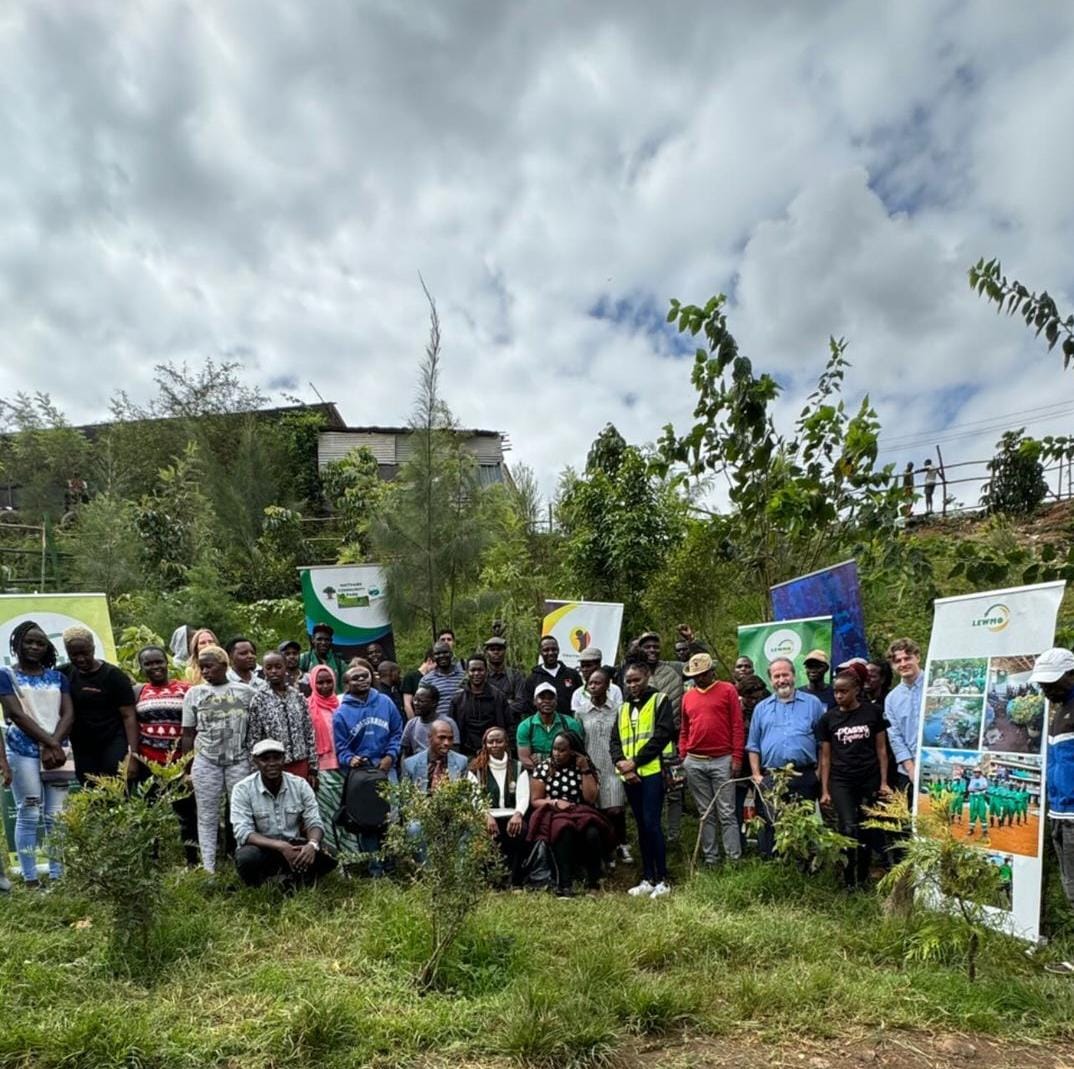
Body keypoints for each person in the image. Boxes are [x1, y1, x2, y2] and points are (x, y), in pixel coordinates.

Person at [0, 621, 75, 888]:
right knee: (29, 811)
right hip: (23, 750)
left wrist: (54, 745)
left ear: (47, 648)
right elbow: (16, 714)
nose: (34, 646)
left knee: (56, 816)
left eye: (40, 643)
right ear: (17, 644)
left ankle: (57, 875)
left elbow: (68, 713)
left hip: (57, 753)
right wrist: (49, 743)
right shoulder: (5, 675)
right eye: (28, 642)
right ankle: (31, 878)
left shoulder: (58, 678)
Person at [180, 645, 255, 873]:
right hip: (206, 761)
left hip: (238, 760)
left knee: (242, 812)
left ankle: (244, 862)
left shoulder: (246, 692)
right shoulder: (194, 694)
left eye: (209, 666)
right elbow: (187, 734)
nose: (205, 671)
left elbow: (254, 728)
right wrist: (187, 769)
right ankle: (209, 869)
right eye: (201, 667)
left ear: (224, 665)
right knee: (207, 815)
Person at [816, 670, 890, 889]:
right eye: (836, 692)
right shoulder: (828, 719)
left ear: (856, 690)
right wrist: (825, 790)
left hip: (868, 777)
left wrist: (884, 782)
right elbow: (826, 757)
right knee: (848, 827)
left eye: (843, 692)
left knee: (868, 827)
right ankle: (848, 880)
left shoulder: (873, 713)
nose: (839, 696)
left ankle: (863, 877)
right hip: (841, 781)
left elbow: (882, 750)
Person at [230, 739, 336, 889]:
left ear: (284, 759)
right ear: (255, 762)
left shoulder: (300, 785)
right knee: (246, 858)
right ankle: (271, 882)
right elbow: (243, 833)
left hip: (294, 846)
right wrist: (280, 846)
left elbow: (314, 822)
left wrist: (312, 844)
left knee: (330, 854)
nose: (272, 763)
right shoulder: (242, 789)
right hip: (263, 849)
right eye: (265, 759)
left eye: (276, 758)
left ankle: (287, 879)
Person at [746, 657, 825, 858]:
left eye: (785, 674)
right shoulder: (761, 708)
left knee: (802, 823)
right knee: (771, 822)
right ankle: (774, 866)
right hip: (771, 776)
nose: (782, 680)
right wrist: (757, 775)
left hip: (804, 774)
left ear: (794, 675)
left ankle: (802, 866)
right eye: (777, 676)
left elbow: (822, 743)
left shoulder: (812, 704)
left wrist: (818, 773)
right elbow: (753, 745)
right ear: (771, 680)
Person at [612, 661, 676, 897]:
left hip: (651, 773)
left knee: (652, 824)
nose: (632, 685)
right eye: (628, 681)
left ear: (647, 677)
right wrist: (623, 764)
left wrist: (635, 762)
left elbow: (662, 735)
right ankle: (647, 877)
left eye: (636, 679)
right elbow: (615, 741)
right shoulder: (623, 708)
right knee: (640, 826)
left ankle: (663, 879)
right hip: (629, 777)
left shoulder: (660, 700)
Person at [132, 644, 198, 865]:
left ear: (166, 662)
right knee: (149, 815)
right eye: (148, 663)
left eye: (158, 661)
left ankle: (192, 860)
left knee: (187, 815)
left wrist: (190, 765)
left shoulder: (186, 689)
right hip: (149, 764)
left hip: (180, 764)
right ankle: (152, 861)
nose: (155, 667)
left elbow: (195, 727)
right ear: (141, 667)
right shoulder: (138, 692)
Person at [679, 652, 745, 866]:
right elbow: (684, 728)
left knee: (727, 811)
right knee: (705, 812)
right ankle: (711, 857)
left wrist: (737, 758)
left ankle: (734, 858)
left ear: (711, 671)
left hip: (722, 758)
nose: (698, 678)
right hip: (694, 760)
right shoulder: (687, 696)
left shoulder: (728, 690)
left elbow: (737, 725)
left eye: (702, 673)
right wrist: (683, 755)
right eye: (695, 674)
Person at [528, 730, 610, 896]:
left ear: (573, 751)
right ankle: (564, 885)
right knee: (564, 829)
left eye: (562, 750)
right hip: (554, 812)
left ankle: (594, 882)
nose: (557, 754)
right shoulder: (544, 768)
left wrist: (585, 769)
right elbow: (536, 800)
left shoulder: (583, 767)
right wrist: (554, 802)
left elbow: (590, 798)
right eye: (555, 749)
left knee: (592, 832)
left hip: (580, 811)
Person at [62, 626, 139, 784]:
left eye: (85, 653)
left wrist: (133, 755)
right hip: (82, 746)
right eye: (74, 655)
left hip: (113, 742)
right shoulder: (64, 674)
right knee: (90, 792)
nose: (80, 659)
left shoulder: (114, 676)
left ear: (93, 649)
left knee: (116, 789)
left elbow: (129, 715)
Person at [575, 667, 631, 864]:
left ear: (608, 685)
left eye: (598, 682)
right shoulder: (581, 713)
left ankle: (621, 844)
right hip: (592, 766)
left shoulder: (619, 709)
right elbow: (579, 740)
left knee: (615, 810)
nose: (593, 686)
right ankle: (606, 850)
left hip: (613, 765)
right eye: (590, 683)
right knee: (597, 810)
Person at [637, 631, 686, 844]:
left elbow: (700, 662)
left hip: (671, 741)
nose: (652, 650)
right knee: (651, 790)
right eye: (647, 647)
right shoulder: (635, 672)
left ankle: (674, 835)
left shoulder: (674, 668)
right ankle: (654, 833)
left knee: (675, 790)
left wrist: (692, 642)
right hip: (645, 744)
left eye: (655, 646)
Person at [469, 726, 530, 886]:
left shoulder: (518, 767)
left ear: (506, 743)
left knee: (520, 830)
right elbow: (474, 797)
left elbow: (524, 796)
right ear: (485, 744)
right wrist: (485, 815)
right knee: (485, 833)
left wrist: (518, 815)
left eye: (499, 741)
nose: (494, 745)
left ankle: (515, 881)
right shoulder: (476, 768)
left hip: (511, 815)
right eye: (491, 742)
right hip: (488, 816)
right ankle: (492, 881)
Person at [247, 652, 318, 784]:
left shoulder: (297, 697)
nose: (274, 671)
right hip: (272, 765)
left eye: (278, 667)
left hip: (300, 762)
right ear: (264, 670)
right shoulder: (259, 699)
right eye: (269, 668)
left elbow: (308, 732)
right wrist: (255, 770)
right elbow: (253, 737)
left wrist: (313, 767)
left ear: (285, 668)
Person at [884, 638, 925, 793]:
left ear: (918, 657)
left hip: (940, 766)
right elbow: (895, 737)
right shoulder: (891, 699)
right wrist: (911, 769)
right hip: (907, 772)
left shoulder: (936, 686)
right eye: (897, 661)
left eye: (907, 658)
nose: (903, 664)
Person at [450, 654, 511, 758]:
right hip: (466, 753)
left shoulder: (498, 697)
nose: (476, 673)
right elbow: (452, 728)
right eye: (473, 670)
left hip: (494, 751)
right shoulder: (458, 699)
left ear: (486, 671)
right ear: (467, 672)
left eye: (480, 670)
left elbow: (509, 724)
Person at [516, 682, 583, 771]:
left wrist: (543, 758)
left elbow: (578, 754)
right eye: (542, 698)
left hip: (566, 772)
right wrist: (544, 771)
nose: (547, 701)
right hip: (536, 772)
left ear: (556, 701)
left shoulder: (570, 724)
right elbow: (524, 759)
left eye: (551, 698)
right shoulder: (525, 726)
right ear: (534, 701)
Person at [402, 718, 469, 793]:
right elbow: (406, 798)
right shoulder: (410, 764)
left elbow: (463, 796)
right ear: (429, 738)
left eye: (450, 738)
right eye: (441, 738)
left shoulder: (461, 762)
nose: (447, 743)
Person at [524, 636, 583, 716]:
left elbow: (581, 699)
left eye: (554, 649)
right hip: (544, 726)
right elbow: (529, 706)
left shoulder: (572, 674)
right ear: (540, 652)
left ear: (558, 650)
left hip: (569, 724)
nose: (550, 653)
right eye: (546, 650)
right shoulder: (533, 679)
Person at [401, 683, 460, 758]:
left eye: (421, 701)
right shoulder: (411, 724)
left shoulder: (448, 723)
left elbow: (455, 754)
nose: (416, 703)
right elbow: (405, 754)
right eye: (415, 700)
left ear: (434, 703)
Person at [483, 636, 527, 727]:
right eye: (492, 649)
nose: (496, 652)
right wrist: (508, 702)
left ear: (505, 651)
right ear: (486, 652)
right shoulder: (481, 676)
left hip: (511, 727)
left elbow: (521, 704)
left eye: (499, 649)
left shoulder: (515, 676)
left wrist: (494, 708)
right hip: (487, 726)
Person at [420, 642, 467, 719]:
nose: (442, 656)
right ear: (433, 657)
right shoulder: (426, 680)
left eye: (445, 652)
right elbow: (423, 706)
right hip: (438, 726)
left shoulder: (464, 676)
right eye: (437, 654)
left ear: (451, 654)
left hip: (462, 723)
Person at [572, 647, 623, 714]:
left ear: (599, 665)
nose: (584, 670)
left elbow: (620, 715)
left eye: (588, 666)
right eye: (582, 666)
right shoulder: (578, 694)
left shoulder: (615, 690)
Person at [299, 624, 348, 693]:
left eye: (326, 640)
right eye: (319, 639)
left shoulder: (339, 663)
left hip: (334, 701)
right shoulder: (304, 659)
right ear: (313, 640)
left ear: (331, 641)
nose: (323, 643)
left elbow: (346, 686)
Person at [402, 648, 435, 719]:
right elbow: (407, 704)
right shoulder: (410, 677)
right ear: (429, 661)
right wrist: (413, 722)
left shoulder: (434, 678)